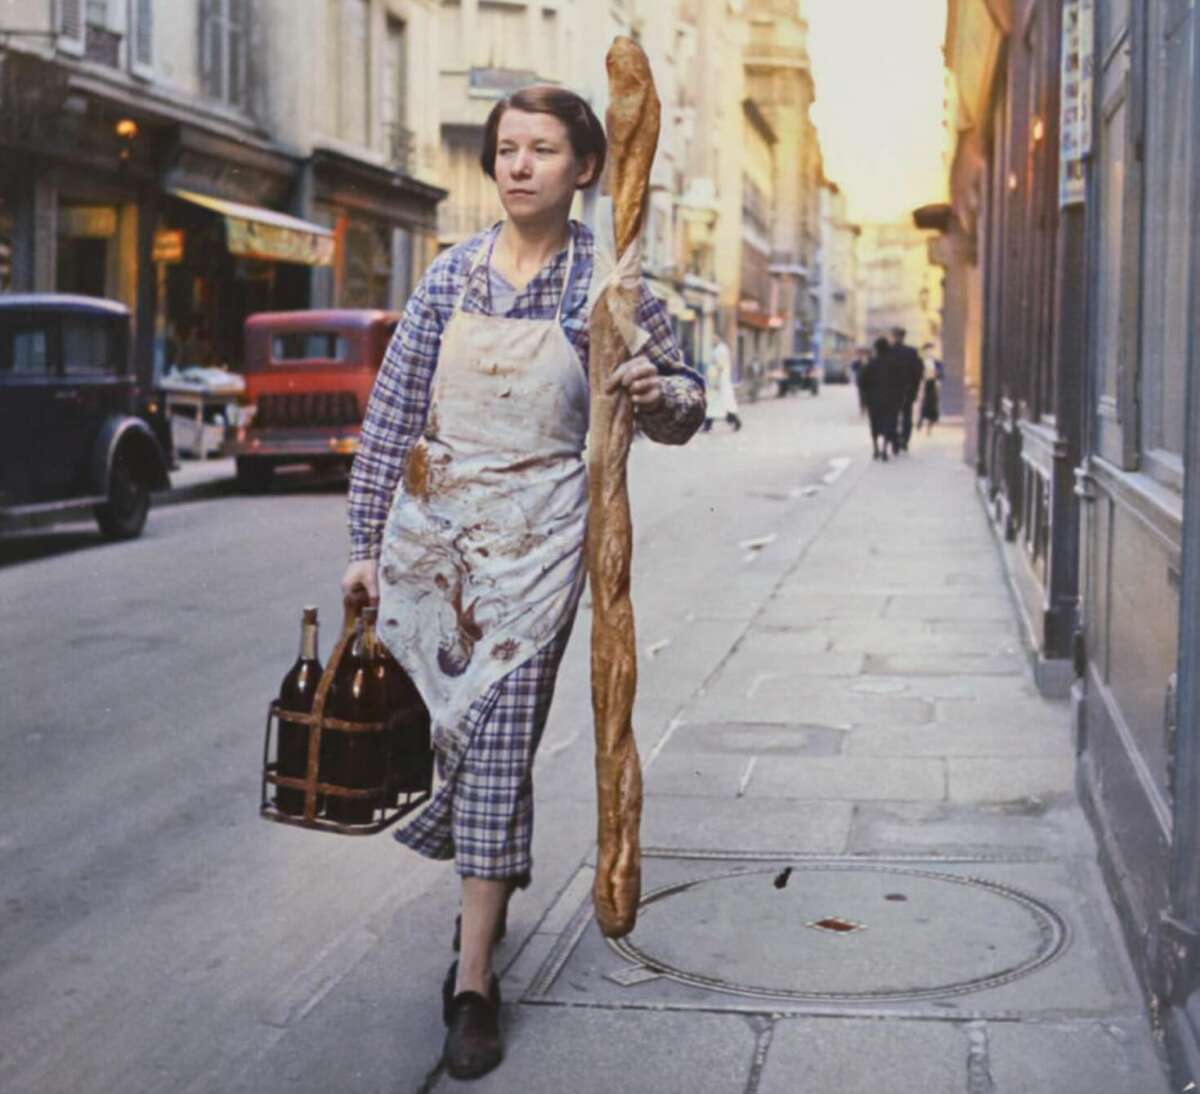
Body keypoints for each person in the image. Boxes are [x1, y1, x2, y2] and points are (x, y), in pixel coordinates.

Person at [340, 84, 706, 1080]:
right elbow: (391, 415)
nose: (518, 164)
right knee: (447, 746)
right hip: (436, 551)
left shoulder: (613, 288)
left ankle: (471, 984)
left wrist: (650, 387)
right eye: (507, 148)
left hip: (541, 553)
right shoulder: (449, 275)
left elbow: (687, 404)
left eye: (542, 149)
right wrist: (368, 542)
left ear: (585, 167)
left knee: (497, 739)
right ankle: (490, 886)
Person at [859, 336, 901, 460]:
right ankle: (884, 449)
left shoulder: (871, 364)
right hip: (890, 400)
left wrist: (865, 399)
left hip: (874, 400)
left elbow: (862, 382)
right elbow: (900, 382)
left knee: (875, 424)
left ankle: (875, 448)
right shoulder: (894, 364)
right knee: (889, 424)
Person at [889, 326, 923, 452]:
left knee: (893, 416)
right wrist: (915, 388)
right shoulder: (912, 352)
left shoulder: (888, 351)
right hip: (907, 390)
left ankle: (895, 440)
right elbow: (918, 372)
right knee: (906, 416)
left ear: (894, 336)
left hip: (892, 391)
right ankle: (904, 440)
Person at [701, 332, 742, 431]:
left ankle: (735, 421)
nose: (713, 340)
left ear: (719, 338)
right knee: (714, 404)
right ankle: (709, 424)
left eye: (715, 337)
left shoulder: (721, 350)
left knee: (721, 403)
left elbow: (721, 366)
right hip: (716, 381)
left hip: (719, 382)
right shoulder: (717, 349)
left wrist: (716, 381)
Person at [918, 342, 941, 433]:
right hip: (923, 385)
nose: (929, 352)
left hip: (933, 385)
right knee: (922, 404)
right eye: (927, 350)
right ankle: (920, 421)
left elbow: (940, 374)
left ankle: (929, 426)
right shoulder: (920, 362)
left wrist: (937, 377)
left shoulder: (937, 362)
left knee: (932, 405)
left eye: (930, 350)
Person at [851, 346, 870, 413]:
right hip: (860, 381)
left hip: (869, 382)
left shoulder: (870, 360)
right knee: (861, 395)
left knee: (868, 395)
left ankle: (867, 407)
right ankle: (862, 408)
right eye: (860, 353)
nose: (862, 355)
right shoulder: (857, 361)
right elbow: (853, 368)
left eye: (863, 353)